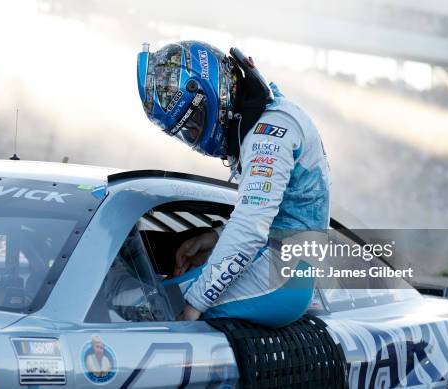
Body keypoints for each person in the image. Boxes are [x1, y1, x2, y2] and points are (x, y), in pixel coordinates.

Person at [136, 41, 330, 328]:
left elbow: (251, 227)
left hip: (284, 279)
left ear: (212, 95)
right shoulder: (269, 118)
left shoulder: (267, 137)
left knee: (161, 303)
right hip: (288, 270)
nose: (193, 137)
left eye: (193, 125)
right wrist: (213, 237)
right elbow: (274, 220)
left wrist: (193, 305)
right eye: (185, 133)